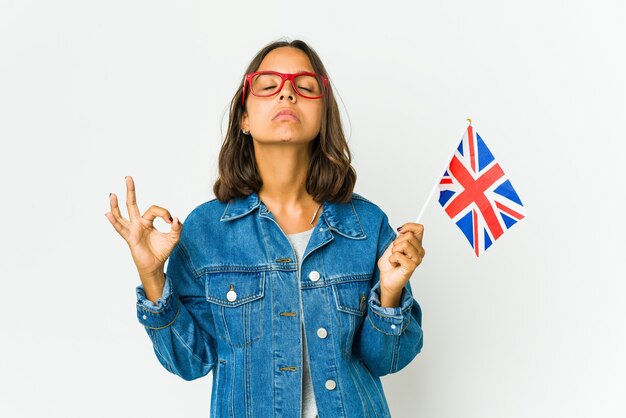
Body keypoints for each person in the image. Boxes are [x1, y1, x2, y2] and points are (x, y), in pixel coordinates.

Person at [105, 38, 426, 418]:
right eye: (268, 85)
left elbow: (387, 359)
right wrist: (152, 277)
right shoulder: (205, 231)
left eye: (305, 87)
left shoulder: (366, 225)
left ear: (323, 115)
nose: (287, 94)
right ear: (244, 117)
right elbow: (191, 363)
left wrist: (389, 293)